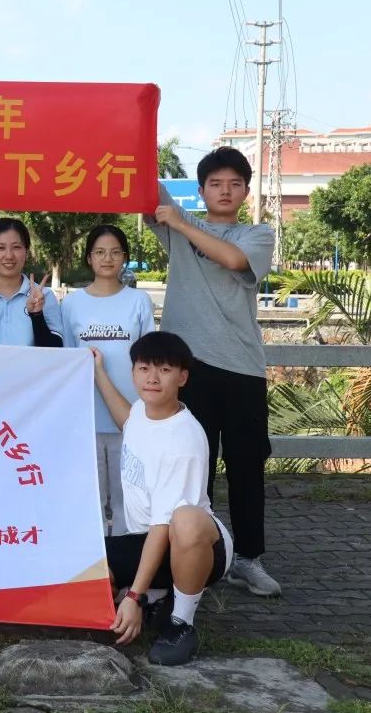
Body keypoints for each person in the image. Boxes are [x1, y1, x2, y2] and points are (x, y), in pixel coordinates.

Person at [151, 147, 279, 596]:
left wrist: (181, 223)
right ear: (201, 189)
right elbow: (142, 183)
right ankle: (193, 557)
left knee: (246, 465)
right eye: (215, 184)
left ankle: (247, 559)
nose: (225, 191)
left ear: (246, 191)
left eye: (234, 184)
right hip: (188, 369)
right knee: (192, 468)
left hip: (242, 367)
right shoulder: (174, 222)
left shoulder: (257, 234)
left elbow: (233, 260)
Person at [93, 331, 233, 666]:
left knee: (184, 519)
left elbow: (162, 527)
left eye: (165, 370)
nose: (153, 378)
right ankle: (156, 599)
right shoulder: (142, 411)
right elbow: (127, 421)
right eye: (144, 368)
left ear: (182, 377)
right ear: (133, 373)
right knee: (89, 571)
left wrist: (133, 594)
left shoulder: (184, 439)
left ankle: (181, 623)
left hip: (196, 547)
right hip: (146, 540)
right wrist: (99, 373)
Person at [61, 225, 156, 535]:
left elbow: (149, 359)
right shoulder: (72, 303)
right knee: (91, 499)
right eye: (100, 252)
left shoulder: (139, 300)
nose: (107, 258)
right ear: (89, 257)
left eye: (115, 252)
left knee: (129, 497)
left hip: (129, 416)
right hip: (86, 417)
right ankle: (98, 562)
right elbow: (65, 358)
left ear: (124, 258)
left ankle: (130, 558)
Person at [0, 217, 61, 346]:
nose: (9, 256)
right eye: (0, 248)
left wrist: (37, 315)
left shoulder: (44, 296)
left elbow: (56, 350)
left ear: (26, 252)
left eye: (16, 247)